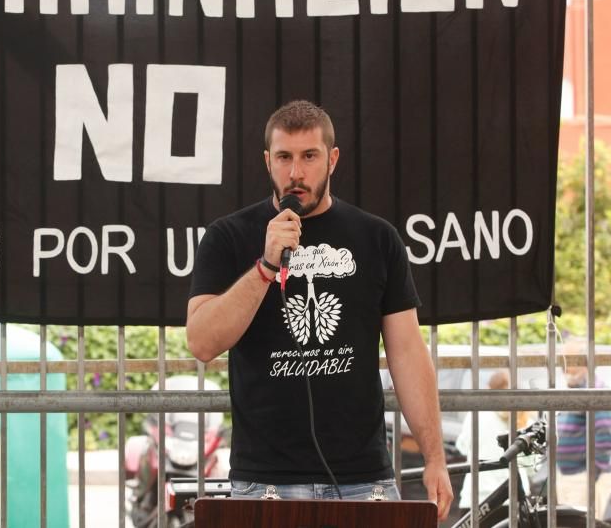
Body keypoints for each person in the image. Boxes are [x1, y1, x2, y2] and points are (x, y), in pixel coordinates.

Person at [185, 100, 453, 520]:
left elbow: (407, 352)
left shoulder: (377, 238)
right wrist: (266, 266)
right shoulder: (228, 237)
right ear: (267, 162)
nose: (296, 173)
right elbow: (202, 342)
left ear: (332, 159)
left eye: (309, 156)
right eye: (284, 158)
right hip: (264, 480)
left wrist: (434, 457)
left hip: (363, 478)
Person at [454, 370, 531, 509]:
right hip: (513, 498)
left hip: (477, 497)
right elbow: (530, 465)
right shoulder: (524, 419)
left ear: (490, 390)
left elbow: (463, 446)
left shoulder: (477, 414)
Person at [555, 344, 611, 517]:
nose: (562, 362)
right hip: (572, 475)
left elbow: (604, 437)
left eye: (567, 357)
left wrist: (592, 474)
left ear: (582, 361)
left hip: (585, 476)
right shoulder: (575, 388)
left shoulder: (595, 389)